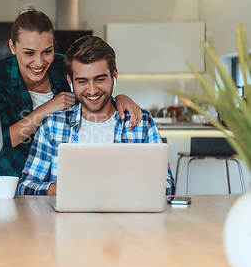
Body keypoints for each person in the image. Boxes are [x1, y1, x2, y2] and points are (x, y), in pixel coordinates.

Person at [0, 7, 143, 179]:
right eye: (29, 53)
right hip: (12, 166)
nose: (39, 62)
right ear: (12, 47)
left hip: (59, 172)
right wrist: (46, 109)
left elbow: (91, 94)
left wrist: (119, 98)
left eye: (47, 51)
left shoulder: (61, 65)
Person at [17, 35, 174, 195]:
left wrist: (123, 189)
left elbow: (167, 185)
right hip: (67, 219)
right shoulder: (52, 125)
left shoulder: (141, 122)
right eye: (82, 81)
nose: (92, 90)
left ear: (114, 75)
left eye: (100, 79)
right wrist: (59, 189)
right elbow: (25, 186)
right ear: (70, 81)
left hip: (127, 218)